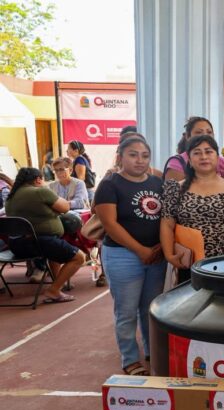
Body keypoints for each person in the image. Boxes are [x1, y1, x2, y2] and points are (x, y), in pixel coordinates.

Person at [94, 135, 165, 376]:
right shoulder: (109, 185)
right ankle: (130, 358)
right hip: (122, 256)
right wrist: (141, 250)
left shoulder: (157, 183)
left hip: (156, 256)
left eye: (145, 156)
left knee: (151, 308)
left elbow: (166, 219)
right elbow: (110, 224)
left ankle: (151, 351)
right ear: (120, 157)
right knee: (126, 311)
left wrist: (159, 247)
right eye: (133, 155)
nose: (139, 160)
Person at [161, 135, 224, 281]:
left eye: (208, 151)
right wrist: (169, 255)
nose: (203, 157)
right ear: (189, 160)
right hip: (188, 263)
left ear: (218, 157)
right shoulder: (175, 188)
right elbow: (167, 224)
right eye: (197, 153)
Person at [4, 168, 85, 303]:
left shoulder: (11, 197)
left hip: (16, 245)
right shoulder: (40, 192)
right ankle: (54, 290)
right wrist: (46, 190)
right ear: (38, 179)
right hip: (38, 243)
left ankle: (58, 283)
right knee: (79, 257)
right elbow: (65, 207)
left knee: (54, 248)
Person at [164, 117, 224, 182]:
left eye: (209, 132)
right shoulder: (177, 163)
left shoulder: (223, 163)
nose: (205, 136)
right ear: (187, 137)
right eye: (199, 132)